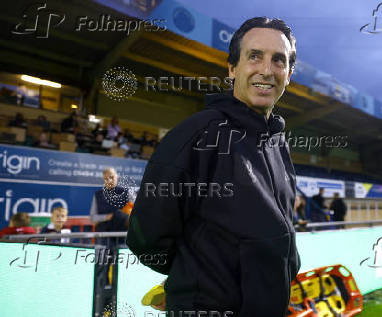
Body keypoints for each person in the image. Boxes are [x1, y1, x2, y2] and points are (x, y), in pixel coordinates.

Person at [127, 17, 300, 317]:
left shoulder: (278, 143)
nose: (266, 70)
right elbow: (147, 238)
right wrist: (193, 278)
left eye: (278, 60)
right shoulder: (197, 134)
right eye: (255, 56)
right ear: (232, 68)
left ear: (288, 74)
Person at [90, 168, 130, 233]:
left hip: (122, 234)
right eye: (106, 179)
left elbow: (133, 214)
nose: (109, 181)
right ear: (103, 179)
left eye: (112, 177)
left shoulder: (126, 192)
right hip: (103, 235)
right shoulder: (98, 194)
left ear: (117, 176)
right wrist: (107, 217)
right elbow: (93, 217)